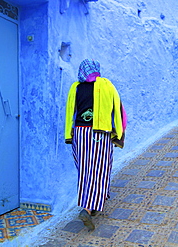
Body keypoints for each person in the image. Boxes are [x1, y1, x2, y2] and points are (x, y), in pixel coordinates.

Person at [65, 59, 126, 231]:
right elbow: (118, 109)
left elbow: (71, 111)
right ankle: (88, 208)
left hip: (79, 133)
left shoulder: (75, 88)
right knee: (100, 167)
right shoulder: (106, 85)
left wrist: (70, 134)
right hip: (99, 132)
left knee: (85, 169)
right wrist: (118, 133)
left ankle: (99, 197)